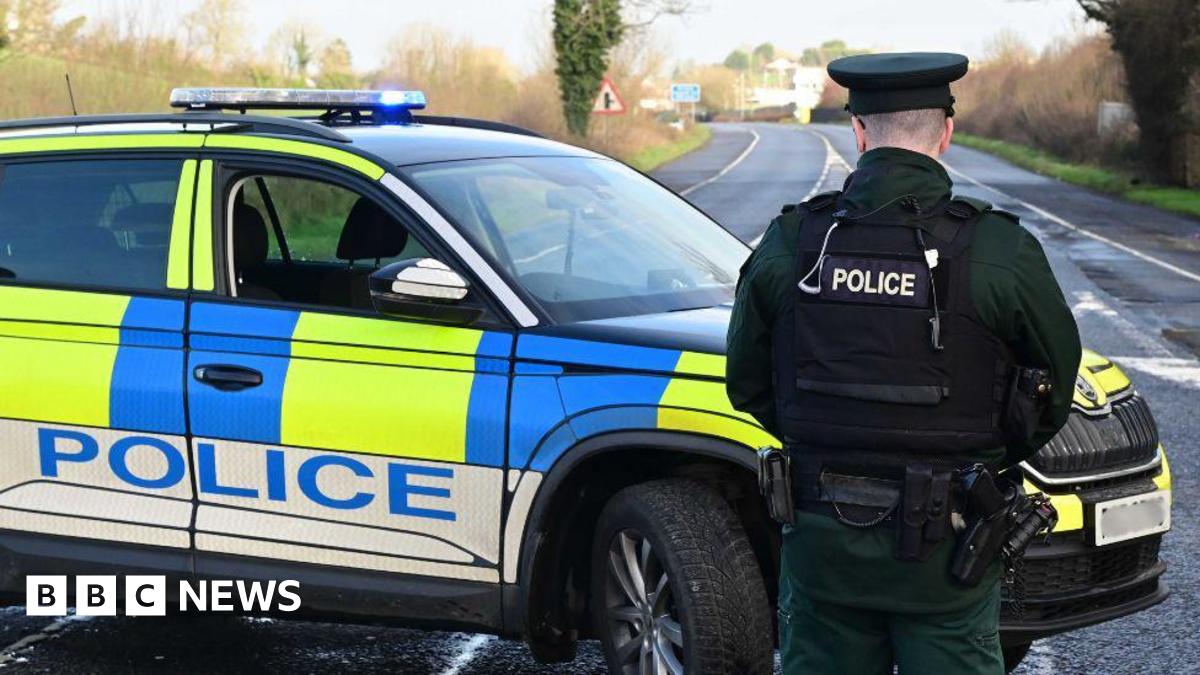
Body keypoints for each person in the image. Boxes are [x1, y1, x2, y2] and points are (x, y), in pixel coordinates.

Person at [726, 52, 1081, 674]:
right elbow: (1053, 384)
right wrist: (986, 456)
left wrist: (828, 437)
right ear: (945, 132)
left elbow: (748, 382)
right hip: (948, 551)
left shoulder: (793, 240)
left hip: (821, 539)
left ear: (858, 133)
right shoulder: (998, 249)